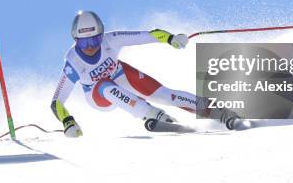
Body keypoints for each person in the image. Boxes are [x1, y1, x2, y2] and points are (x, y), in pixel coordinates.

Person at [50, 11, 238, 137]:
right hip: (97, 95)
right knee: (105, 86)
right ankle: (149, 113)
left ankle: (213, 109)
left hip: (120, 75)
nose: (90, 47)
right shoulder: (73, 61)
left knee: (164, 94)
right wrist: (68, 121)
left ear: (102, 35)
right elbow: (56, 101)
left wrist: (171, 39)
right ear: (76, 41)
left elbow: (148, 35)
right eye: (84, 43)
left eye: (95, 40)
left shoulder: (112, 40)